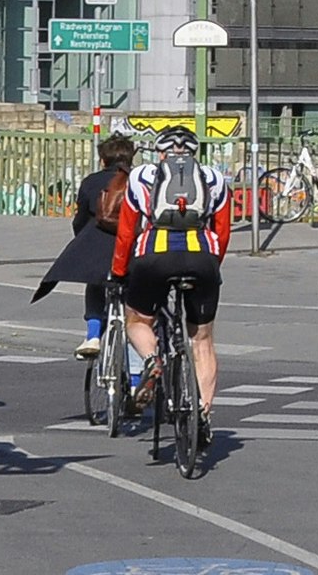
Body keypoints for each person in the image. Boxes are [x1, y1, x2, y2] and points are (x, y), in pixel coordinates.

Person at [110, 126, 236, 441]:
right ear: (195, 152)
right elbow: (222, 233)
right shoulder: (214, 178)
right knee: (202, 340)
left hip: (153, 256)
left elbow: (127, 232)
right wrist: (211, 268)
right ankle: (203, 415)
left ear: (160, 152)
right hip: (201, 258)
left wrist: (118, 273)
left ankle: (152, 360)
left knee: (138, 320)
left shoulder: (140, 177)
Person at [31, 134, 138, 355]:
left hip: (96, 245)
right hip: (131, 247)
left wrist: (81, 239)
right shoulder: (140, 180)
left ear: (103, 160)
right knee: (135, 293)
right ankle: (137, 373)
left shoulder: (91, 181)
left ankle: (92, 335)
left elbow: (80, 219)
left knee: (95, 282)